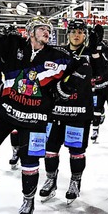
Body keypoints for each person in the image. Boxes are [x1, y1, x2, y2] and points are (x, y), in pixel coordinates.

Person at [0, 4, 71, 214]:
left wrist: (68, 88)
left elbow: (82, 69)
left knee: (30, 163)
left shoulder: (58, 56)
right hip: (6, 110)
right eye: (43, 29)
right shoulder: (12, 44)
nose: (48, 32)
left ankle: (28, 199)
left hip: (35, 120)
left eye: (49, 30)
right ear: (30, 32)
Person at [39, 19, 97, 204]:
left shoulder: (91, 52)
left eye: (80, 32)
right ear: (68, 33)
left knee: (76, 152)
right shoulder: (58, 52)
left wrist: (96, 52)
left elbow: (105, 73)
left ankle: (75, 181)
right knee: (50, 150)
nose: (76, 35)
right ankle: (50, 180)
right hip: (55, 111)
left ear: (85, 35)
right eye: (73, 31)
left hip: (79, 113)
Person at [0, 24, 22, 169]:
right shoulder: (0, 52)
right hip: (8, 95)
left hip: (26, 93)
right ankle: (16, 151)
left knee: (26, 125)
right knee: (11, 124)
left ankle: (26, 152)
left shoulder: (25, 48)